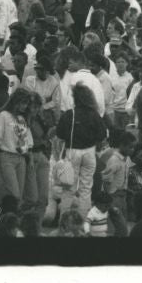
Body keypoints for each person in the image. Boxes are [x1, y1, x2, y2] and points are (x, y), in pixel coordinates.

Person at [55, 83, 106, 217]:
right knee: (86, 188)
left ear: (75, 98)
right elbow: (102, 135)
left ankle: (64, 222)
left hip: (72, 152)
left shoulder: (69, 114)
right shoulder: (94, 114)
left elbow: (59, 134)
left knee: (68, 189)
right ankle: (84, 223)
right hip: (90, 152)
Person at [0, 88, 34, 204]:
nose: (25, 106)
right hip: (6, 157)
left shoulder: (22, 119)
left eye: (27, 104)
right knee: (15, 194)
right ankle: (0, 217)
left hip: (21, 159)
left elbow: (27, 142)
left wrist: (30, 160)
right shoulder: (3, 116)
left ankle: (10, 219)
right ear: (16, 101)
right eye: (23, 103)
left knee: (18, 197)